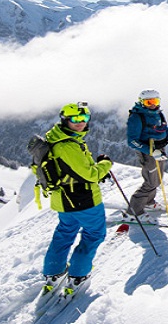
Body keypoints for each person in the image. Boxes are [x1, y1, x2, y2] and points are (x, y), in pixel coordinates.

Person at [41, 102, 112, 290]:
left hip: (63, 200)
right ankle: (79, 275)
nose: (81, 123)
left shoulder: (55, 138)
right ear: (65, 120)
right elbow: (90, 175)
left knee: (65, 233)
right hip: (83, 199)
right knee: (94, 234)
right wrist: (105, 164)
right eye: (75, 119)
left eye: (84, 118)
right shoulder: (68, 146)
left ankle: (53, 271)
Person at [125, 89, 168, 223]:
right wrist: (151, 151)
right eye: (148, 102)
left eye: (155, 101)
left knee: (158, 179)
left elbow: (165, 130)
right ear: (141, 102)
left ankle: (149, 202)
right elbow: (132, 141)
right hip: (148, 152)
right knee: (151, 181)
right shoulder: (137, 117)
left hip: (159, 149)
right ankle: (133, 212)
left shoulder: (159, 114)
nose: (152, 104)